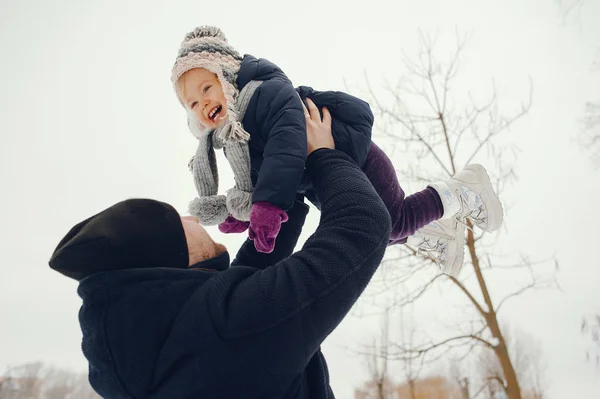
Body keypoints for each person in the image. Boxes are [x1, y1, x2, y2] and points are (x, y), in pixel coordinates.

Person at [49, 102, 390, 398]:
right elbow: (361, 227)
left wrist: (283, 188)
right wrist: (323, 155)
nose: (191, 218)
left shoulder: (154, 346)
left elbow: (250, 284)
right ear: (169, 256)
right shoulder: (229, 328)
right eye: (177, 221)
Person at [171, 26, 503, 275]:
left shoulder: (265, 95)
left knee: (391, 221)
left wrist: (268, 204)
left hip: (356, 162)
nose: (203, 104)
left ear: (226, 75)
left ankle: (462, 190)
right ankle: (439, 233)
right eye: (193, 103)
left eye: (207, 88)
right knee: (376, 232)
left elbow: (285, 148)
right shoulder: (236, 138)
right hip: (324, 180)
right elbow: (259, 177)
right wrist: (242, 210)